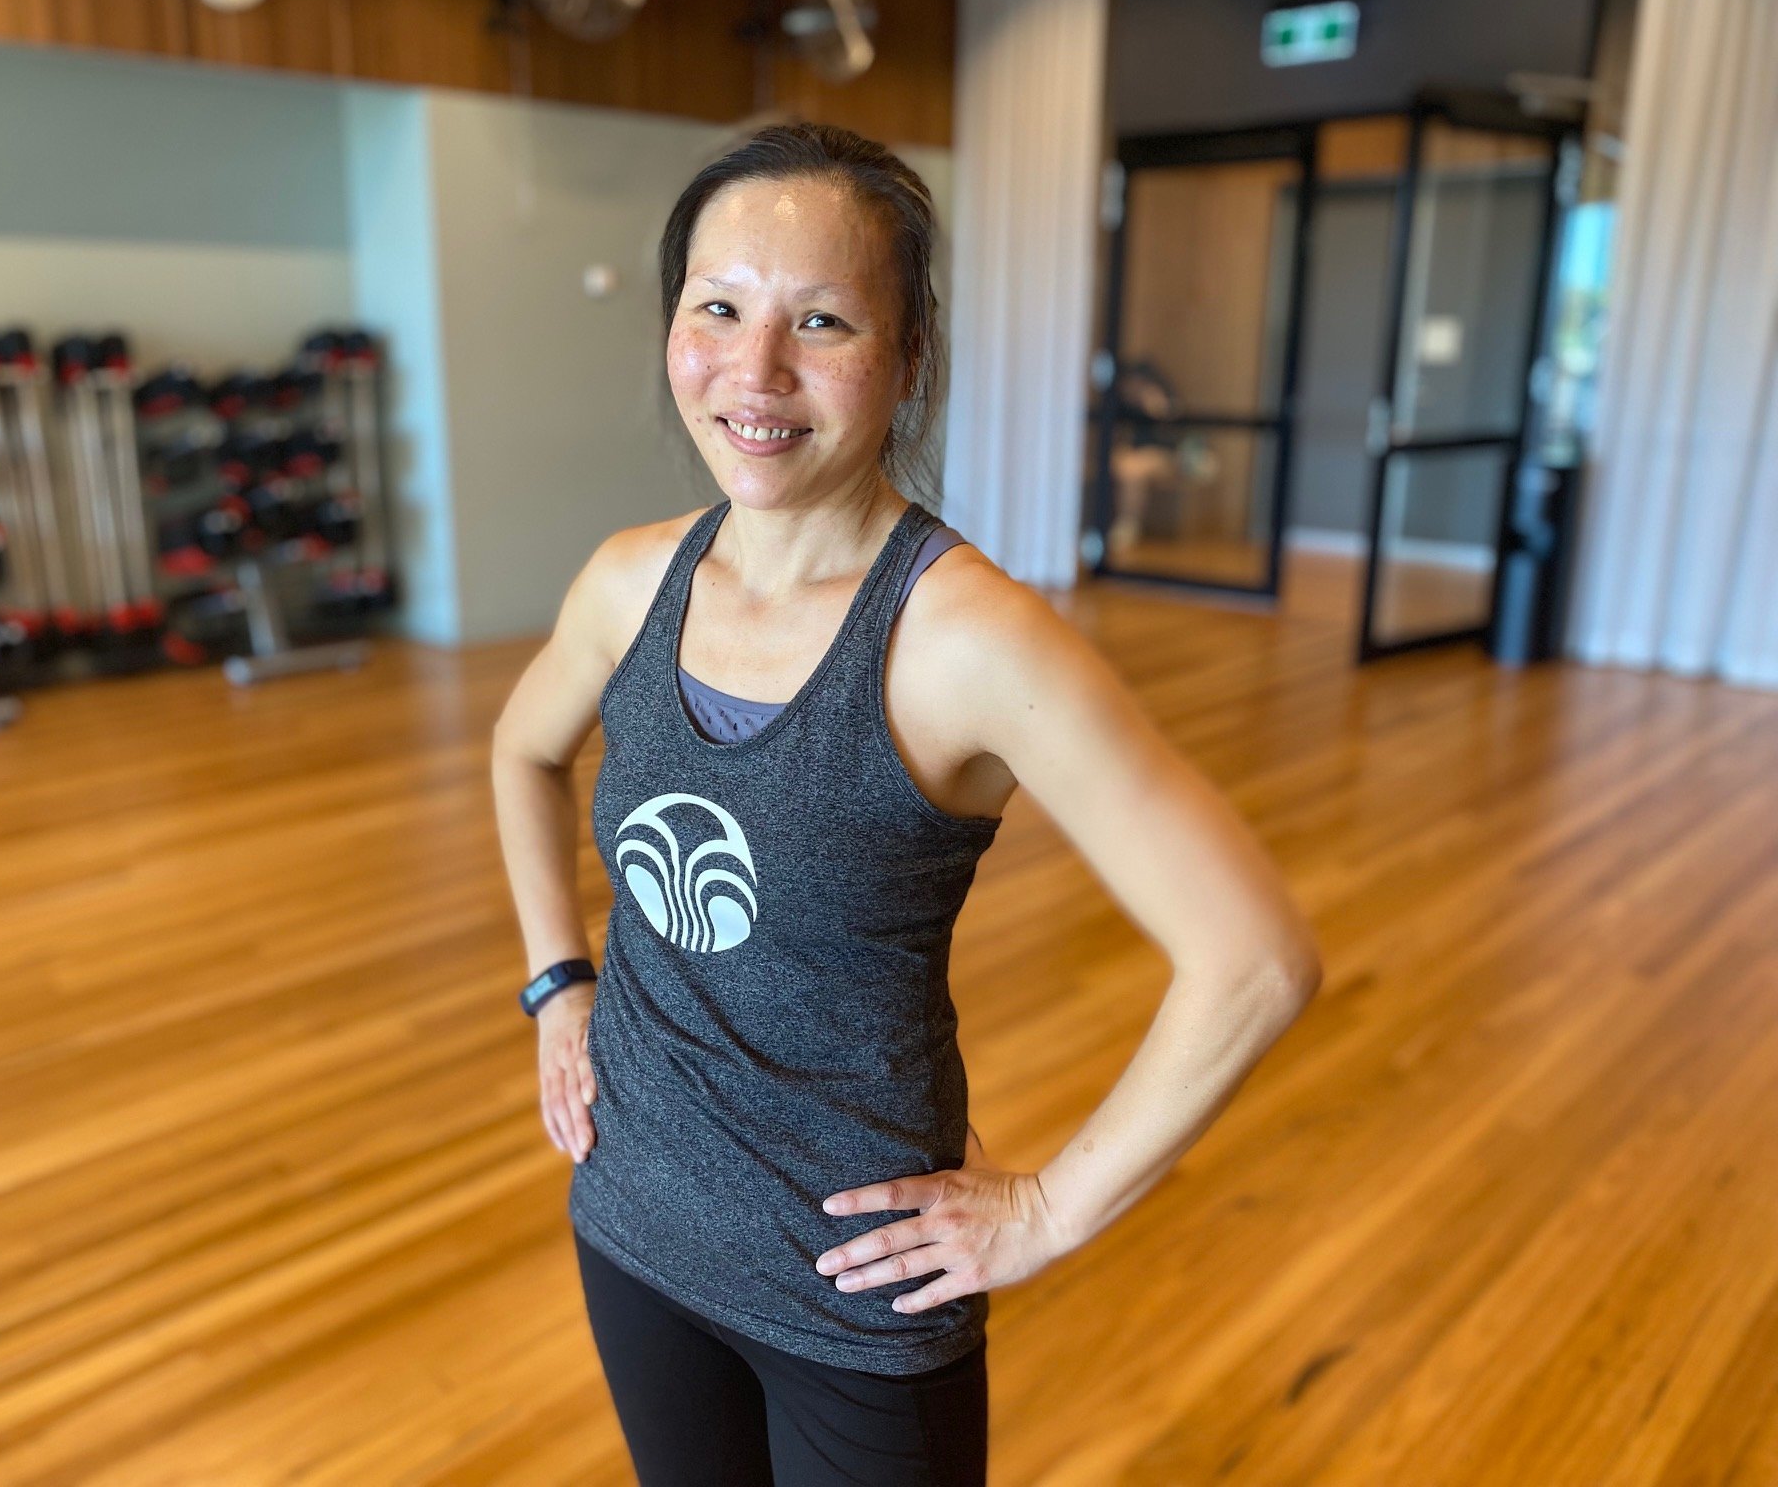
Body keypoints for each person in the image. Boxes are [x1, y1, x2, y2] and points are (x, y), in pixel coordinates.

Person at [490, 121, 1322, 1486]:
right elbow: (522, 753)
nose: (755, 372)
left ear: (908, 359)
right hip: (632, 1225)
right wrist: (557, 989)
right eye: (718, 307)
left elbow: (1257, 961)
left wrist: (1050, 1210)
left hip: (855, 1294)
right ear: (672, 325)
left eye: (821, 321)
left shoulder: (965, 638)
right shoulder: (629, 583)